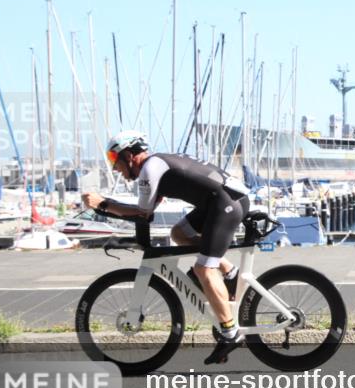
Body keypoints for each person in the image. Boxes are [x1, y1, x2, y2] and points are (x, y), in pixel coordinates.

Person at [82, 130, 251, 365]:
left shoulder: (151, 169)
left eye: (114, 159)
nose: (114, 168)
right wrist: (107, 206)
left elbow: (142, 213)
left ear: (129, 155)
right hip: (219, 200)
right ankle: (230, 273)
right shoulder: (156, 167)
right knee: (179, 233)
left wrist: (103, 204)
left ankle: (230, 333)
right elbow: (146, 211)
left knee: (204, 269)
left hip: (226, 203)